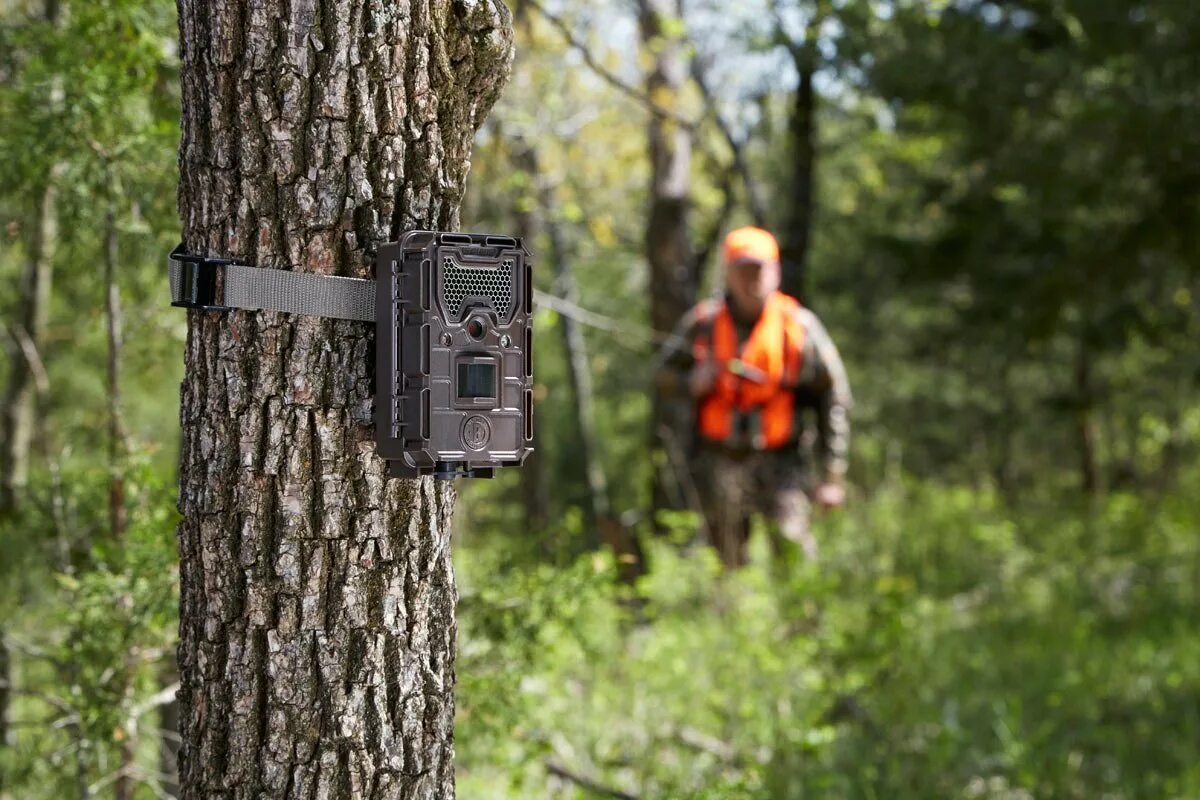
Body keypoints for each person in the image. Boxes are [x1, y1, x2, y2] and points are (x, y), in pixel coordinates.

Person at [655, 226, 852, 568]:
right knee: (725, 559)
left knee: (794, 553)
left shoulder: (799, 327)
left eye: (759, 270)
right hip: (719, 461)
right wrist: (692, 383)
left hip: (783, 459)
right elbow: (662, 377)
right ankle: (730, 619)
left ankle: (802, 619)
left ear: (775, 272)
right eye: (743, 270)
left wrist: (832, 475)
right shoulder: (702, 324)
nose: (752, 280)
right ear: (728, 274)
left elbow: (834, 396)